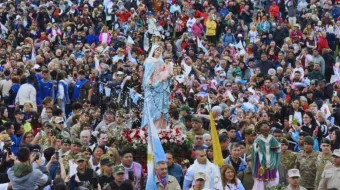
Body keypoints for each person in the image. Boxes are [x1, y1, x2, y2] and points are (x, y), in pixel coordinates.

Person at [141, 44, 173, 129]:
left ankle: (160, 128)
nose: (158, 52)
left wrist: (167, 76)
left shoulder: (161, 62)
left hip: (161, 85)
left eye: (160, 50)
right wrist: (150, 83)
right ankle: (150, 128)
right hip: (152, 87)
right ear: (153, 51)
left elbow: (164, 73)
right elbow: (147, 75)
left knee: (161, 106)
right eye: (157, 50)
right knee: (152, 107)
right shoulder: (149, 61)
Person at [251, 120, 281, 189]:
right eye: (263, 128)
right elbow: (254, 150)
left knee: (272, 183)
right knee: (260, 182)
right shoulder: (258, 139)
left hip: (271, 162)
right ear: (260, 129)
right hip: (261, 163)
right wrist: (257, 147)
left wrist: (275, 148)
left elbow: (278, 148)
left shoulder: (272, 138)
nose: (265, 129)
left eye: (267, 127)